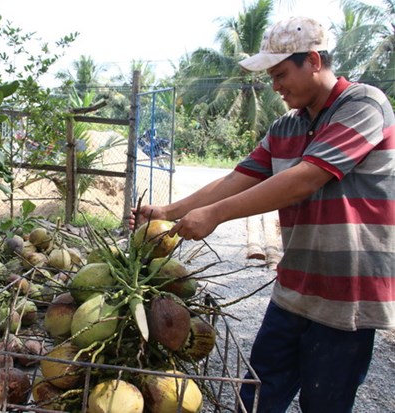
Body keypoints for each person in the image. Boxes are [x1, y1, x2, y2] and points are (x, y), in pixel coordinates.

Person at [130, 16, 395, 413]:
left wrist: (214, 216)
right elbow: (239, 178)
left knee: (324, 403)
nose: (275, 86)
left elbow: (306, 178)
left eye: (282, 73)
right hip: (293, 289)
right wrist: (167, 211)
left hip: (347, 298)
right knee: (255, 398)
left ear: (316, 61)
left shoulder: (363, 104)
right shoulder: (285, 127)